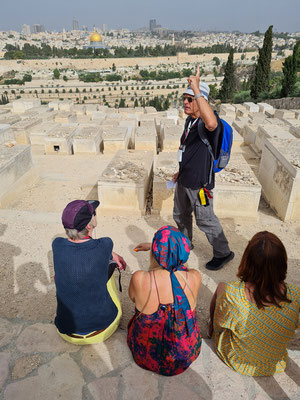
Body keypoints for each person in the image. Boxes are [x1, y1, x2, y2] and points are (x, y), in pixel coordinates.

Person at [209, 231, 300, 376]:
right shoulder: (295, 295)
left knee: (221, 287)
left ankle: (209, 333)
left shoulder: (232, 293)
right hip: (275, 363)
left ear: (247, 261)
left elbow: (220, 324)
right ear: (282, 262)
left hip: (237, 361)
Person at [173, 66, 234, 271]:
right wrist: (179, 171)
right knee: (180, 215)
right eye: (185, 98)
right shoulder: (190, 121)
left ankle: (223, 253)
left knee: (205, 220)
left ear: (201, 101)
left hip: (200, 185)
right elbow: (187, 149)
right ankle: (185, 245)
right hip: (184, 180)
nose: (185, 102)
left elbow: (211, 122)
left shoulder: (208, 125)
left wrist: (197, 90)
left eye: (190, 99)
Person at [127, 225, 202, 376]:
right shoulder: (194, 277)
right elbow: (175, 269)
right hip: (184, 354)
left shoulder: (140, 278)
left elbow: (132, 298)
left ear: (155, 253)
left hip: (146, 355)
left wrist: (155, 249)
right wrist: (165, 251)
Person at [52, 199, 126, 345]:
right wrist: (113, 255)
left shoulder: (57, 244)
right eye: (94, 213)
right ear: (88, 225)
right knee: (109, 266)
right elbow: (99, 250)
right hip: (102, 328)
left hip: (65, 330)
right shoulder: (106, 243)